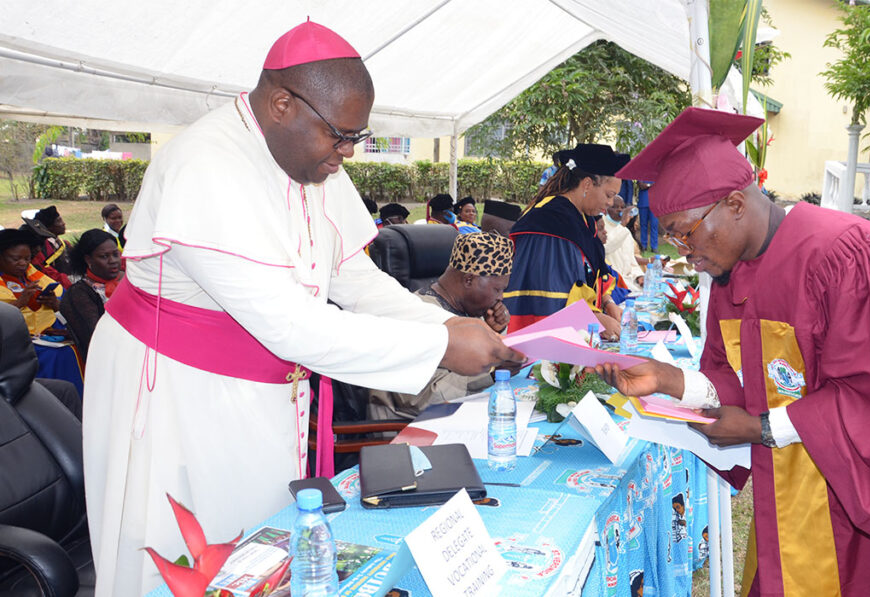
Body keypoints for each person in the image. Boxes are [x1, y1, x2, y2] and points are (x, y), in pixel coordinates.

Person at [81, 20, 523, 596]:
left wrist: (449, 324)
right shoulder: (206, 164)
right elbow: (288, 322)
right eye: (340, 136)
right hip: (176, 396)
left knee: (266, 545)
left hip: (266, 392)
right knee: (191, 557)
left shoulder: (310, 157)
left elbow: (354, 278)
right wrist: (441, 346)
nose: (346, 154)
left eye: (355, 138)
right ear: (282, 103)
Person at [594, 107, 870, 597]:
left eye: (686, 232)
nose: (684, 251)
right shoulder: (731, 275)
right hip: (822, 462)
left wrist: (758, 428)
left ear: (734, 203)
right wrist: (668, 380)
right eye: (673, 237)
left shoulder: (847, 256)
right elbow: (740, 378)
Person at [369, 232, 515, 419]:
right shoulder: (416, 317)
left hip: (454, 416)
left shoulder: (469, 311)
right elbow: (422, 398)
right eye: (497, 289)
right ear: (469, 280)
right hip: (407, 429)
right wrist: (492, 371)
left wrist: (494, 333)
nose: (500, 297)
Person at [505, 143, 629, 335]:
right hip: (540, 340)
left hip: (577, 330)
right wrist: (595, 320)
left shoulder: (582, 218)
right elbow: (548, 298)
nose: (610, 203)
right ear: (587, 184)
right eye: (609, 195)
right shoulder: (549, 222)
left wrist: (607, 301)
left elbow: (590, 273)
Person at [60, 229, 123, 363]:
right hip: (107, 359)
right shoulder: (79, 293)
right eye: (104, 256)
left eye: (115, 254)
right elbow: (96, 336)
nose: (113, 261)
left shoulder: (130, 280)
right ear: (88, 259)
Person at [0, 228, 63, 335]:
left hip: (49, 337)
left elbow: (67, 310)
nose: (23, 263)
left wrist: (54, 303)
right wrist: (19, 303)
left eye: (27, 258)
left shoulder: (33, 277)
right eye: (16, 259)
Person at [23, 205, 73, 288]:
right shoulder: (40, 252)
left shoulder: (65, 244)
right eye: (59, 221)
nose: (63, 223)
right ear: (48, 227)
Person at [604, 195, 645, 292]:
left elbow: (631, 262)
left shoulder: (625, 231)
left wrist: (639, 276)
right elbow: (607, 247)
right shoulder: (601, 226)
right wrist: (623, 224)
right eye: (615, 207)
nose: (619, 210)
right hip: (611, 284)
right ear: (606, 208)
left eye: (622, 207)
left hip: (629, 282)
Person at [636, 180, 658, 251]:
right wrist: (651, 185)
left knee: (654, 225)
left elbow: (659, 185)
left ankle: (654, 247)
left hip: (654, 203)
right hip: (643, 202)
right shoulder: (641, 174)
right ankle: (643, 245)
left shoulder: (655, 174)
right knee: (643, 225)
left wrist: (647, 185)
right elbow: (642, 186)